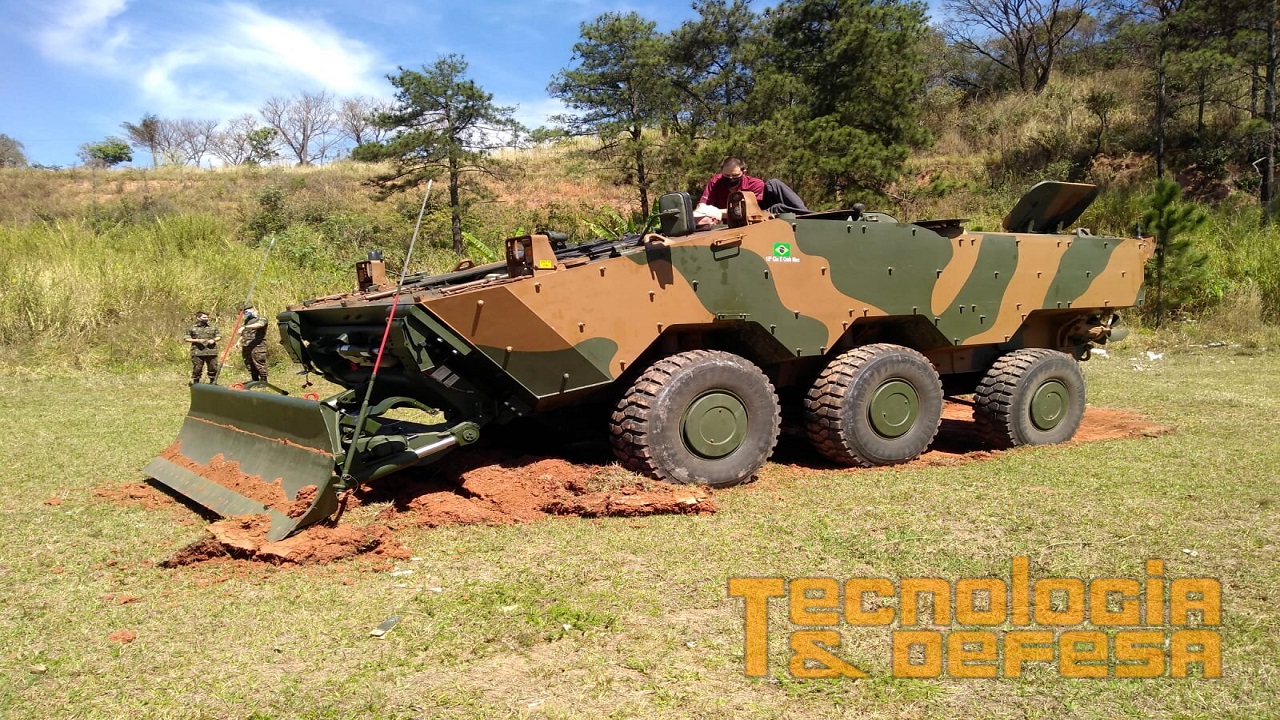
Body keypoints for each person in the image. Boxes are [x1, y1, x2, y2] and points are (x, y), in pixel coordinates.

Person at [696, 157, 810, 224]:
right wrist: (703, 216)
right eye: (726, 175)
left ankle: (807, 215)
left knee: (777, 196)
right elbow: (701, 206)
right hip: (731, 226)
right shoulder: (716, 181)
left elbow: (746, 212)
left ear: (743, 172)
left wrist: (714, 212)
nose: (730, 179)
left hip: (759, 215)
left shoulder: (756, 184)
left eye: (735, 175)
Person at [184, 311, 221, 385]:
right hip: (197, 351)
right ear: (198, 318)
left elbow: (219, 336)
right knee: (197, 368)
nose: (206, 318)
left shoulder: (212, 327)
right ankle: (196, 382)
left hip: (211, 351)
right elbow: (186, 339)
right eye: (204, 317)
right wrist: (197, 340)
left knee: (213, 367)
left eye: (207, 317)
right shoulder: (192, 328)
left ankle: (213, 382)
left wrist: (213, 340)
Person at [235, 305, 269, 384]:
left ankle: (264, 381)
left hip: (257, 345)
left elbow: (260, 324)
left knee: (259, 362)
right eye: (244, 313)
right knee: (249, 363)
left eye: (246, 312)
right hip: (247, 345)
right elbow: (246, 333)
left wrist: (245, 327)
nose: (245, 314)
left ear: (252, 309)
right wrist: (239, 341)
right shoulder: (248, 320)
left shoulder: (261, 318)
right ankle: (254, 380)